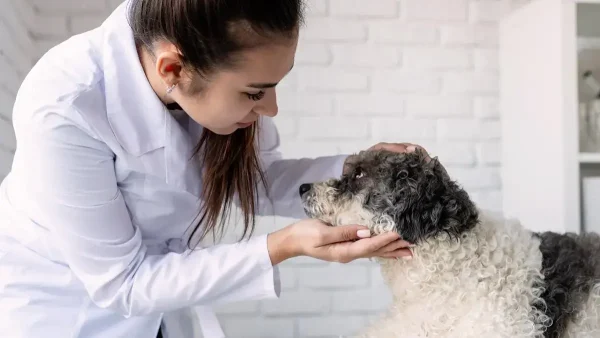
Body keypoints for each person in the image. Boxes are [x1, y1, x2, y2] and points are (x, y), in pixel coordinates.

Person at [0, 0, 417, 337]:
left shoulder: (205, 68)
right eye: (255, 92)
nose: (271, 108)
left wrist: (355, 170)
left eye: (274, 85)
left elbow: (254, 183)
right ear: (174, 69)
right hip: (63, 313)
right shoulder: (66, 105)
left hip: (159, 306)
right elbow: (122, 283)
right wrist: (283, 245)